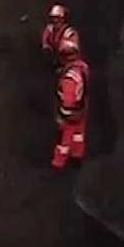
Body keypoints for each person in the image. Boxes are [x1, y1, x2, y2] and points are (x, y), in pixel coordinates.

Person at [50, 33, 89, 170]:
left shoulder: (69, 79)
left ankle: (57, 165)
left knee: (63, 143)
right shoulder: (82, 68)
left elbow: (68, 101)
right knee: (78, 136)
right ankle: (77, 159)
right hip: (81, 110)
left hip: (70, 115)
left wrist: (61, 117)